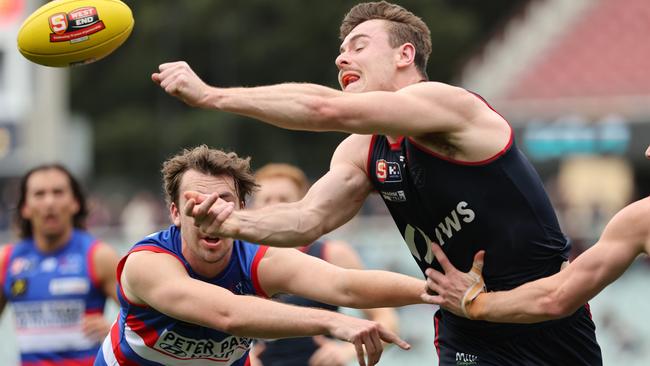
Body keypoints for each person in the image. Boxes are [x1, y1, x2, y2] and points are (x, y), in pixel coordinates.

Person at [152, 2, 602, 364]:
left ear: (405, 55)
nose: (341, 57)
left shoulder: (447, 105)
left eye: (359, 45)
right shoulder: (362, 150)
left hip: (544, 317)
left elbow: (326, 110)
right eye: (341, 51)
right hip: (463, 322)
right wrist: (228, 224)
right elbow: (306, 220)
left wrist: (213, 96)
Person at [95, 145, 425, 366]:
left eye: (223, 201)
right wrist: (336, 322)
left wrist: (436, 293)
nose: (211, 213)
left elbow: (346, 285)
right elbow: (228, 314)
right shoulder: (147, 263)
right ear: (176, 213)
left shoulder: (262, 259)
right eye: (196, 204)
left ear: (241, 208)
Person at [420, 145, 650, 324]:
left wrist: (474, 304)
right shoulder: (640, 220)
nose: (648, 152)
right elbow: (557, 296)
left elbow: (556, 298)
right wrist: (474, 304)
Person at [249, 163, 399, 366]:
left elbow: (386, 319)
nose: (274, 206)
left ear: (302, 205)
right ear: (253, 207)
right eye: (266, 200)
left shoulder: (332, 254)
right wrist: (241, 357)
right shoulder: (237, 257)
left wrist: (345, 351)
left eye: (284, 199)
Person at [0, 164, 119, 365]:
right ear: (25, 207)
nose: (49, 202)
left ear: (75, 203)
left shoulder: (98, 256)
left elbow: (144, 323)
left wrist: (114, 331)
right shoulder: (7, 260)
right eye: (39, 194)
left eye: (58, 192)